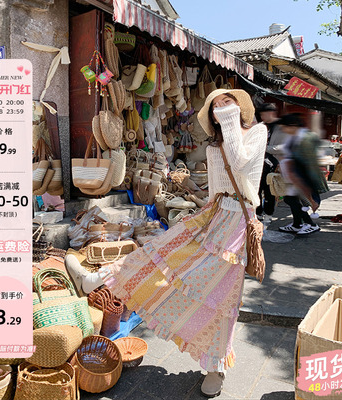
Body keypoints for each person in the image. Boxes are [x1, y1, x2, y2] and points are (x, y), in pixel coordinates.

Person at [66, 89, 267, 398]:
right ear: (211, 117)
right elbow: (216, 190)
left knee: (220, 295)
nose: (222, 109)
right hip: (213, 215)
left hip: (237, 226)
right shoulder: (214, 147)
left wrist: (228, 121)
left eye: (227, 103)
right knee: (159, 252)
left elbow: (241, 164)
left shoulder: (257, 132)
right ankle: (99, 278)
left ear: (240, 106)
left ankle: (215, 366)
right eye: (216, 107)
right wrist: (196, 204)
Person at [277, 113, 329, 235]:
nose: (283, 130)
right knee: (290, 199)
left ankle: (310, 224)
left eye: (284, 127)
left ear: (292, 126)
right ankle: (297, 224)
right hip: (292, 175)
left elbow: (310, 163)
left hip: (303, 175)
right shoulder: (292, 137)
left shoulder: (306, 138)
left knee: (298, 200)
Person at [256, 103, 289, 223]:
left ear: (270, 113)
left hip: (275, 164)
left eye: (263, 114)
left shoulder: (282, 126)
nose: (261, 117)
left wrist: (267, 148)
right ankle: (258, 213)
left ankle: (269, 215)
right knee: (257, 189)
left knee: (270, 190)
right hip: (259, 163)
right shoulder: (260, 126)